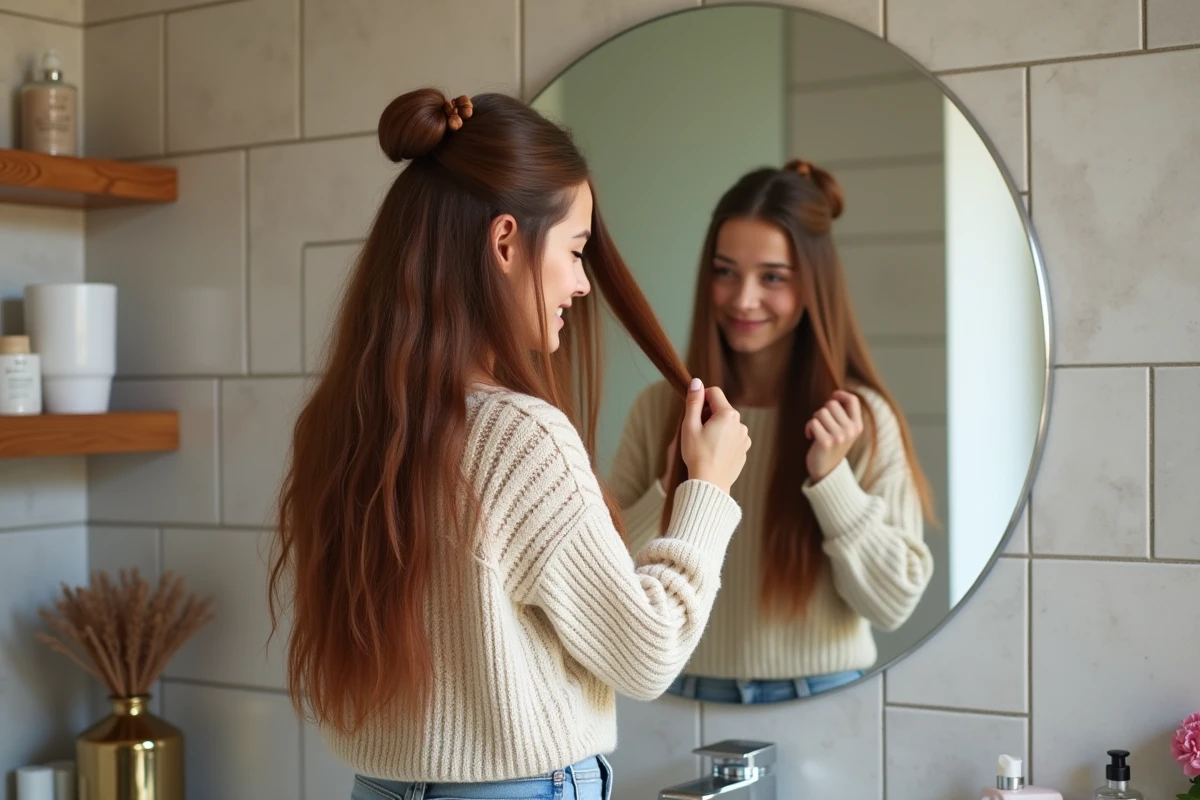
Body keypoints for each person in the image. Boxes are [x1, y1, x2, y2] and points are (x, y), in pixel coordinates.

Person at [266, 88, 752, 800]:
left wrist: (668, 493)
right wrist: (708, 492)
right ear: (504, 242)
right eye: (575, 252)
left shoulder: (344, 424)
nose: (581, 284)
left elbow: (513, 578)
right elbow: (648, 653)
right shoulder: (519, 435)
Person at [609, 159, 935, 705]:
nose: (743, 299)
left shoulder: (859, 419)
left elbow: (893, 602)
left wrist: (831, 480)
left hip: (825, 699)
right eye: (725, 271)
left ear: (814, 285)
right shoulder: (658, 411)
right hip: (680, 699)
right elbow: (605, 579)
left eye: (773, 277)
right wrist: (673, 485)